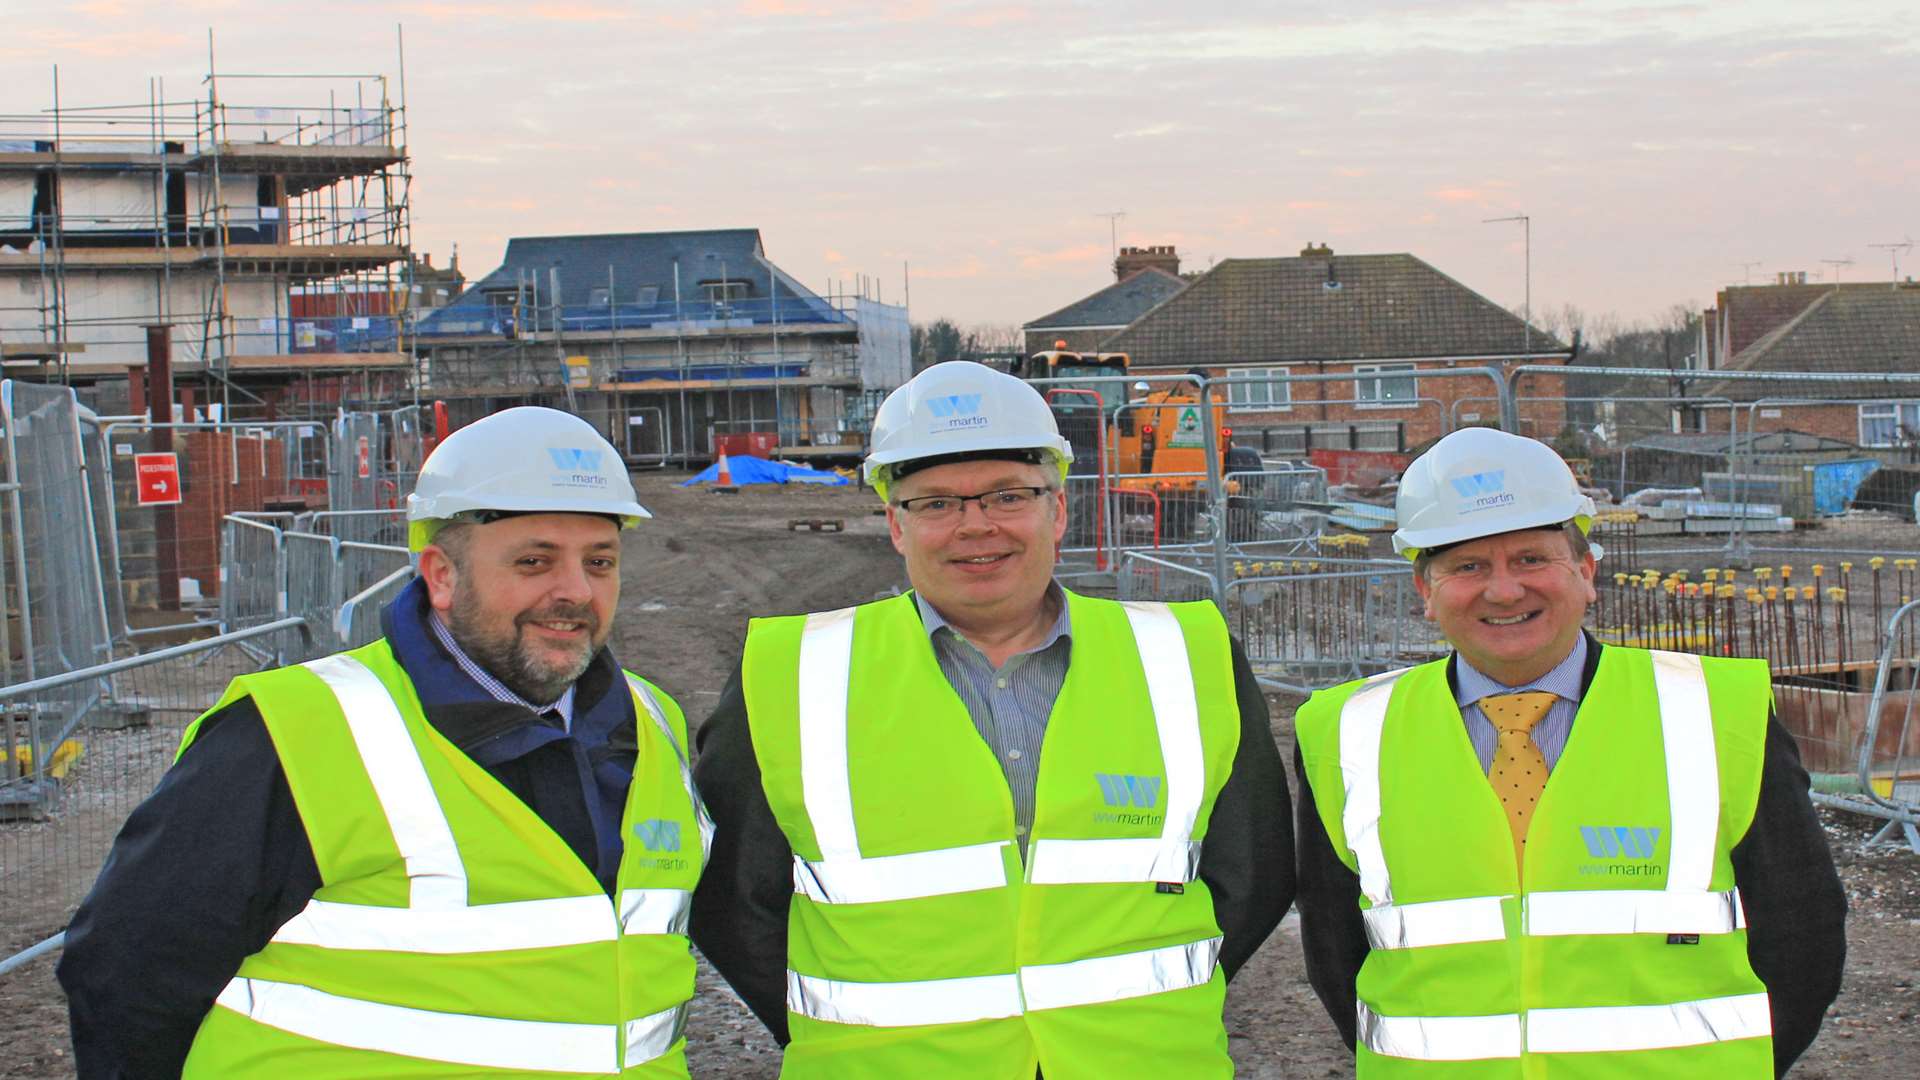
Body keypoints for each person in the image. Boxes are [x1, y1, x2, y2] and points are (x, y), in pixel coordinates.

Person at [59, 407, 709, 1078]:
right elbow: (127, 972)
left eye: (599, 562)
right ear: (442, 575)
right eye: (534, 561)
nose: (575, 591)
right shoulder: (296, 733)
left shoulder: (649, 722)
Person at [690, 360, 1295, 1079]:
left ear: (1058, 509)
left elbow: (1251, 877)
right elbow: (734, 906)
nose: (976, 527)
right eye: (937, 504)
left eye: (1008, 496)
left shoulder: (1186, 657)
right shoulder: (794, 674)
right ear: (894, 524)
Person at [1292, 426, 1847, 1078]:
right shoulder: (1346, 731)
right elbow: (1336, 951)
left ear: (1586, 573)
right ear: (1425, 593)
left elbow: (1802, 934)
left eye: (1531, 559)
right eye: (1468, 567)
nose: (1503, 591)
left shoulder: (1714, 713)